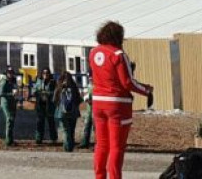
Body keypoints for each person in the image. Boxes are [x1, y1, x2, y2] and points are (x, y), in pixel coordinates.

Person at [90, 21, 153, 179]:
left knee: (102, 145)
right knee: (117, 146)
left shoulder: (93, 52)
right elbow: (127, 82)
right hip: (117, 104)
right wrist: (146, 90)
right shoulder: (118, 55)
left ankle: (99, 176)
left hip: (98, 101)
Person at [54, 71, 83, 152]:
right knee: (71, 130)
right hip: (73, 112)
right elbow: (79, 100)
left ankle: (67, 147)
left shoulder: (59, 87)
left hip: (62, 113)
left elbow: (54, 99)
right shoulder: (74, 87)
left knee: (67, 130)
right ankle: (69, 147)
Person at [31, 68, 57, 144]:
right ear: (42, 74)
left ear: (49, 74)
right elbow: (33, 90)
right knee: (40, 122)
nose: (45, 75)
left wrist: (48, 93)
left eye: (47, 73)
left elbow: (56, 92)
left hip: (50, 104)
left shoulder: (53, 82)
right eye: (44, 73)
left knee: (51, 122)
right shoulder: (39, 81)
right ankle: (38, 138)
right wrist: (38, 92)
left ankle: (53, 138)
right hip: (40, 104)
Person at [0, 67, 19, 146]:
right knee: (9, 119)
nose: (10, 74)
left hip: (13, 102)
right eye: (9, 72)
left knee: (12, 120)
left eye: (12, 72)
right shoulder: (3, 81)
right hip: (6, 102)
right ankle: (8, 141)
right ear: (6, 73)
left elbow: (16, 89)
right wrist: (11, 94)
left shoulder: (14, 80)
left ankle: (11, 139)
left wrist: (17, 94)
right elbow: (1, 93)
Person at [80, 80, 95, 149]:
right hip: (89, 109)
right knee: (87, 126)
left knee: (96, 128)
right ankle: (85, 142)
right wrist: (84, 97)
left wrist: (92, 101)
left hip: (96, 109)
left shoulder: (98, 85)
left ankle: (98, 144)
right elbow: (85, 94)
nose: (90, 79)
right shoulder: (89, 86)